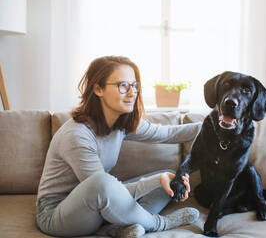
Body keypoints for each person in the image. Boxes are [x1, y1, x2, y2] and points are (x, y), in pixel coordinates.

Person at [36, 56, 201, 238]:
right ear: (98, 89)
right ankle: (157, 223)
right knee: (103, 182)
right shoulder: (77, 136)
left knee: (168, 178)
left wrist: (217, 124)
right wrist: (155, 180)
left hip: (98, 203)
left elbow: (169, 134)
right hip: (58, 213)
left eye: (135, 86)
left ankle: (121, 227)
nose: (132, 93)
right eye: (123, 85)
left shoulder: (120, 123)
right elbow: (103, 190)